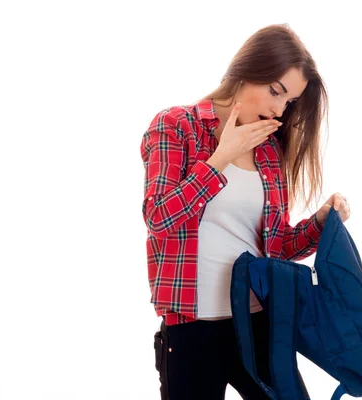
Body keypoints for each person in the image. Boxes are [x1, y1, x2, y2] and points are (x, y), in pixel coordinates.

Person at [141, 24, 351, 400]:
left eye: (288, 102)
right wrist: (220, 157)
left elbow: (278, 246)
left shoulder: (270, 151)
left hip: (256, 326)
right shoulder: (176, 126)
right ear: (245, 71)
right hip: (191, 331)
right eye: (275, 91)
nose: (278, 108)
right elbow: (159, 218)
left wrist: (319, 222)